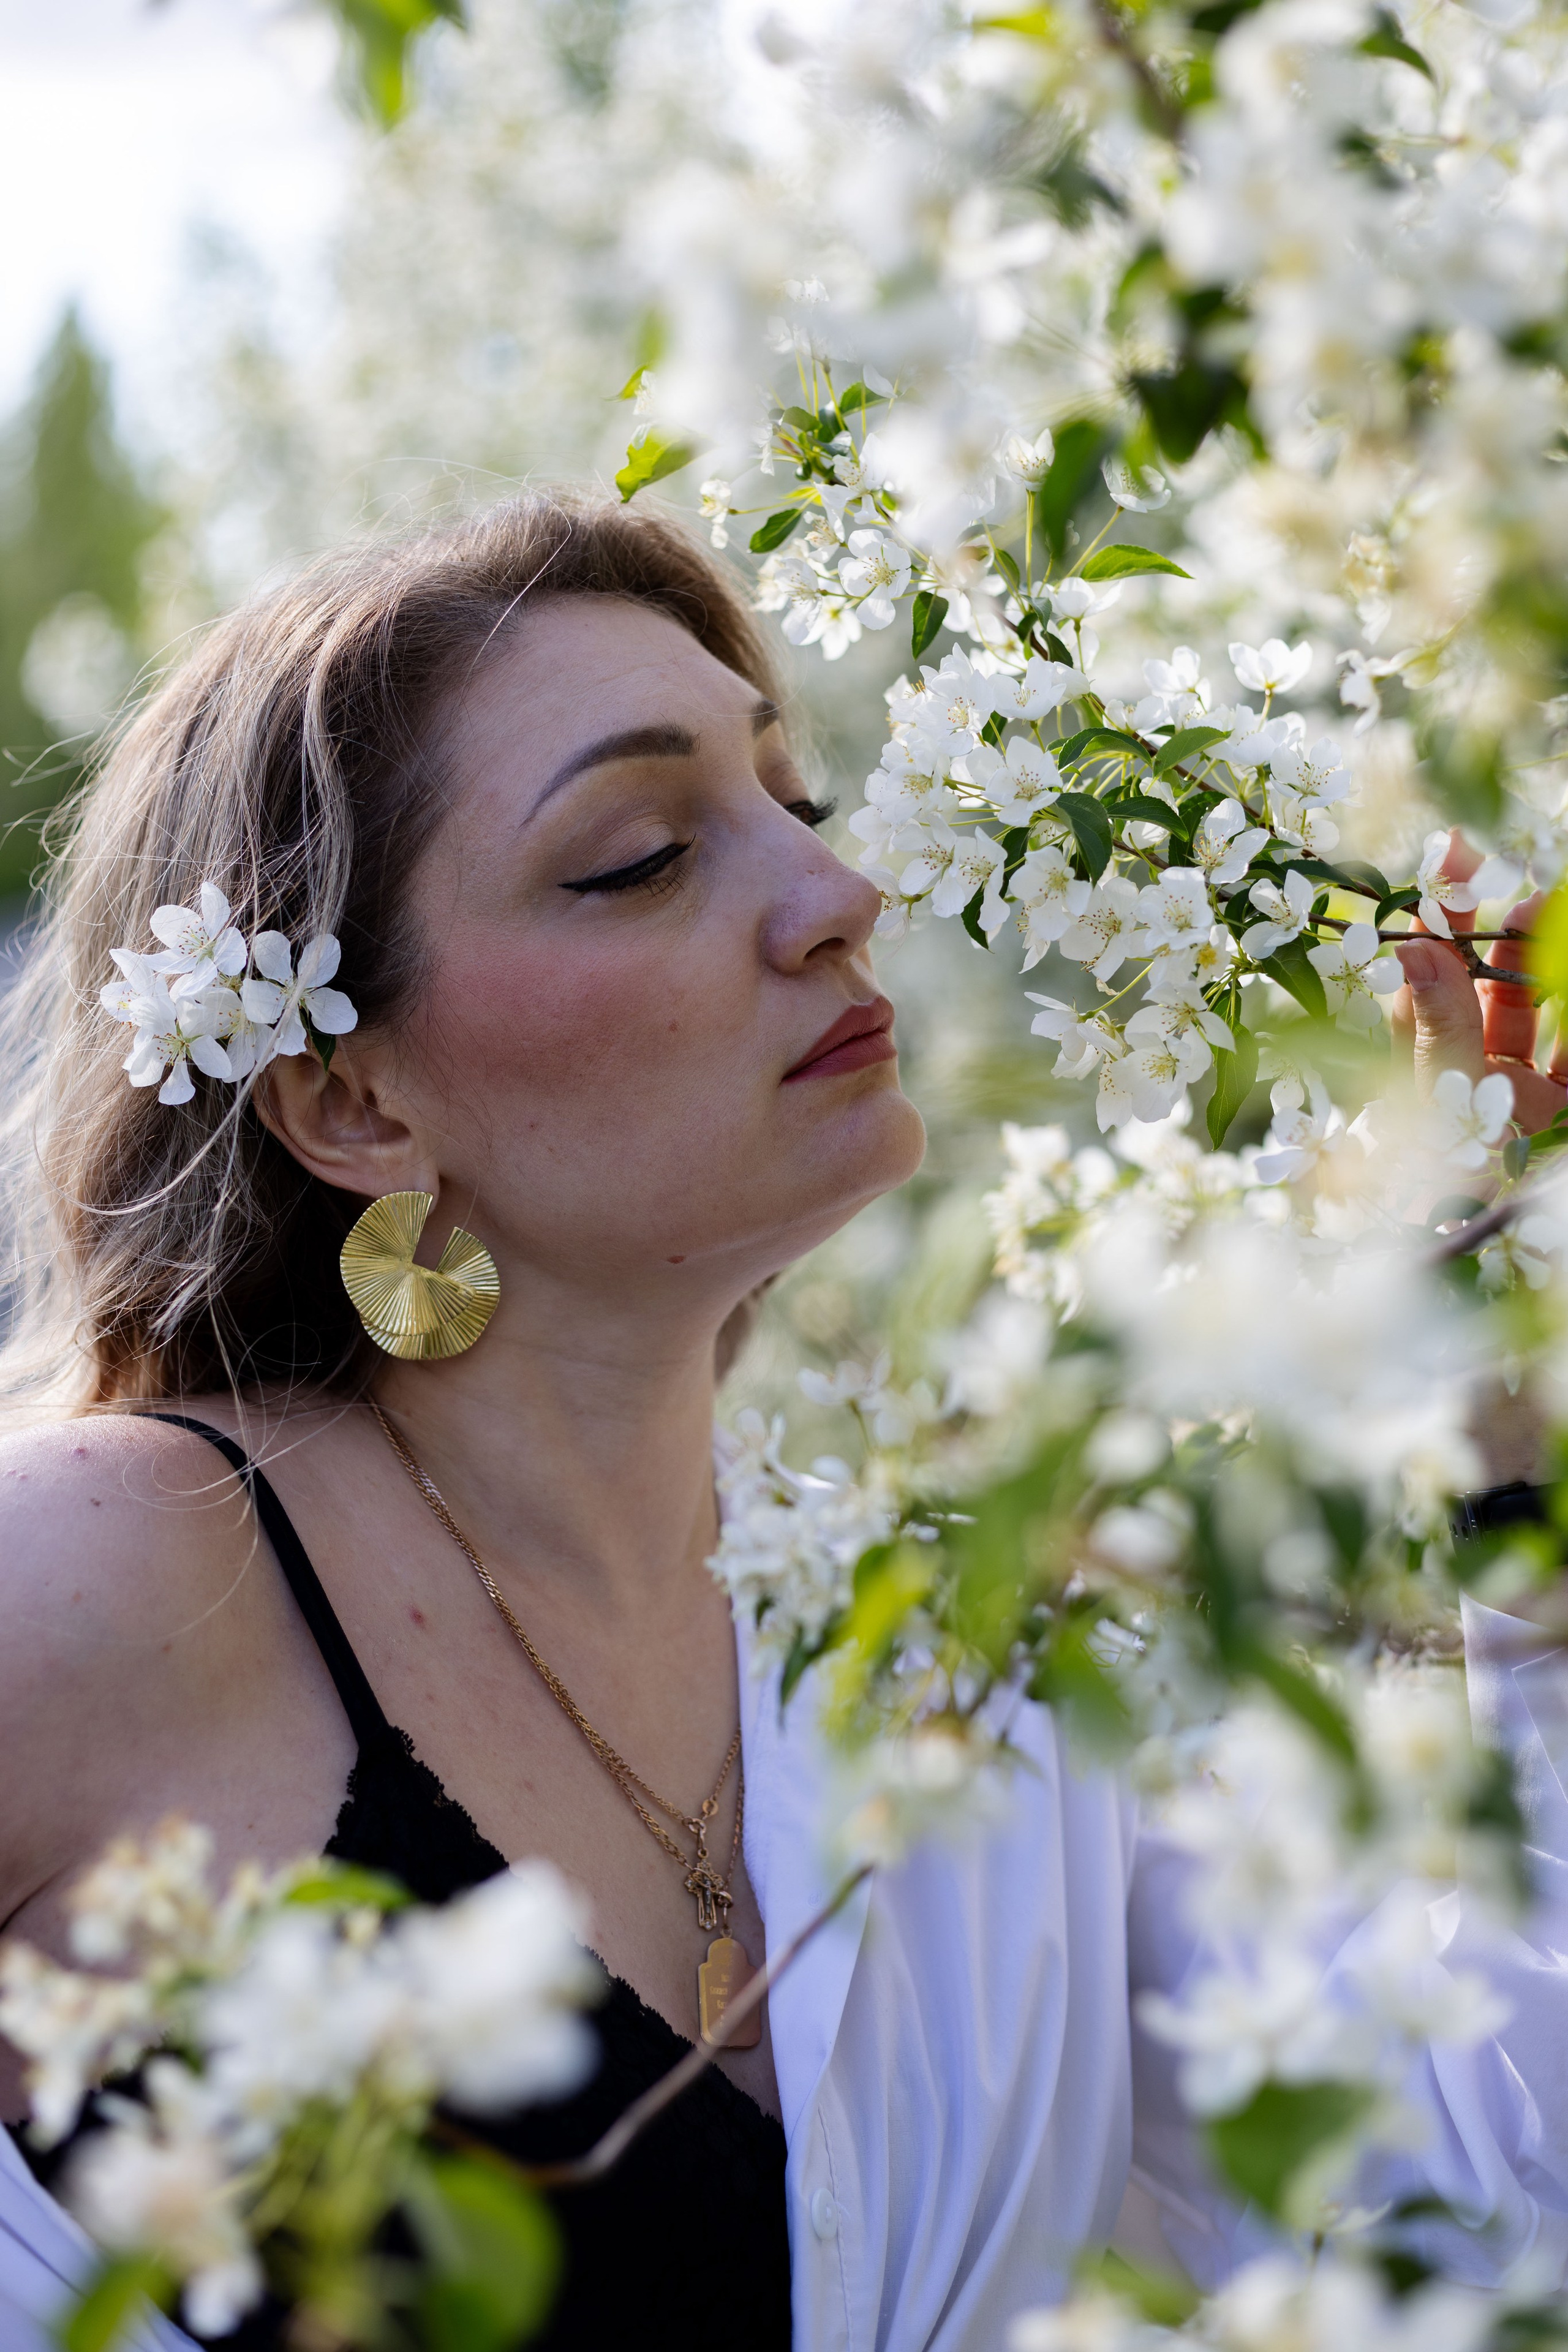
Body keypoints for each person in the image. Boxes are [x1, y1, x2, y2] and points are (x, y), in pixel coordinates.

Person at [1, 492, 1567, 2352]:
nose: (842, 899)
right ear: (351, 1103)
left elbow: (1482, 2204)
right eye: (644, 855)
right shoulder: (111, 1582)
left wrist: (1518, 1469)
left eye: (793, 808)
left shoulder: (947, 1662)